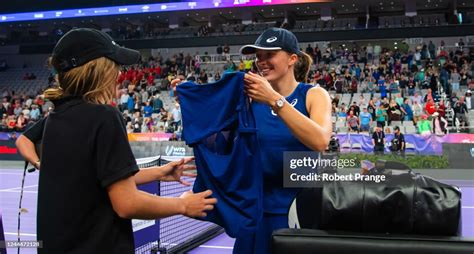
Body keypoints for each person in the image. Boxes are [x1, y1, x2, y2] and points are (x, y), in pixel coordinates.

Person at [15, 28, 216, 254]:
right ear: (100, 71)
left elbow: (103, 178)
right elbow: (126, 203)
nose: (119, 74)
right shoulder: (104, 117)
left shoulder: (55, 119)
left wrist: (160, 172)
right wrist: (183, 205)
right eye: (115, 66)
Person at [240, 27, 331, 253]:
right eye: (259, 57)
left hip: (298, 212)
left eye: (269, 55)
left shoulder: (314, 95)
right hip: (255, 212)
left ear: (292, 58)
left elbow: (320, 141)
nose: (262, 62)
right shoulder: (249, 100)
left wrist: (274, 100)